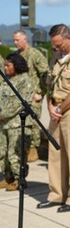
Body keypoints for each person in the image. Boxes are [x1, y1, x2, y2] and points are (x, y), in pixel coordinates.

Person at [37, 24, 70, 213]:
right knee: (55, 155)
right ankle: (56, 194)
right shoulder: (55, 58)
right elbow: (49, 85)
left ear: (69, 39)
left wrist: (59, 108)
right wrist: (51, 106)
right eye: (54, 46)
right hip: (56, 109)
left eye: (59, 44)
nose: (57, 48)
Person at [13, 29, 50, 162]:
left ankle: (33, 151)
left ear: (25, 39)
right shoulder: (16, 55)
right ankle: (23, 149)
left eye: (17, 40)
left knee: (33, 124)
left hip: (33, 96)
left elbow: (46, 74)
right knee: (20, 124)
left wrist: (41, 92)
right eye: (14, 40)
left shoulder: (35, 54)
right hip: (19, 97)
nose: (15, 42)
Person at [0, 52, 34, 191]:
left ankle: (19, 180)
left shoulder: (25, 80)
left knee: (15, 154)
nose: (5, 68)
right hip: (4, 123)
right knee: (3, 153)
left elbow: (19, 103)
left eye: (8, 65)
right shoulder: (6, 79)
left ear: (16, 65)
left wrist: (2, 115)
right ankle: (8, 178)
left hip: (17, 123)